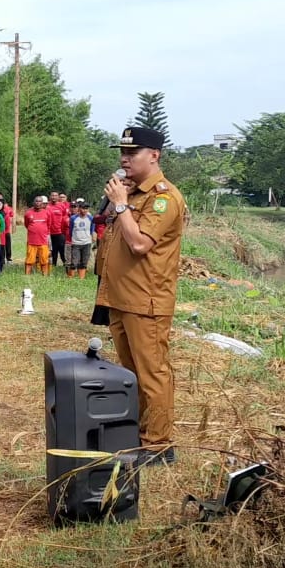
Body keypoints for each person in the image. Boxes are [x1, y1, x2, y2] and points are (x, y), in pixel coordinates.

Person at [96, 127, 186, 465]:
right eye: (122, 152)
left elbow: (139, 244)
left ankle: (159, 445)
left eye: (132, 153)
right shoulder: (133, 196)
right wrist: (122, 202)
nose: (124, 158)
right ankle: (138, 433)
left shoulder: (163, 198)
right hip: (121, 298)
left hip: (146, 301)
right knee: (131, 374)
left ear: (154, 156)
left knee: (152, 374)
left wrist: (121, 206)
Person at [23, 196, 51, 276]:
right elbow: (26, 224)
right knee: (29, 260)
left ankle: (44, 275)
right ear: (33, 202)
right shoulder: (28, 213)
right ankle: (27, 275)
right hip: (32, 241)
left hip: (43, 241)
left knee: (44, 259)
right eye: (36, 201)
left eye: (40, 201)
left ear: (42, 203)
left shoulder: (47, 213)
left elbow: (49, 225)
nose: (38, 203)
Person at [68, 199, 96, 279]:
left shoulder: (90, 218)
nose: (84, 210)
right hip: (76, 243)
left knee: (84, 262)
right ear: (79, 208)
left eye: (86, 208)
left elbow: (92, 230)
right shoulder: (73, 218)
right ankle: (70, 277)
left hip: (86, 242)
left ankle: (81, 278)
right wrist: (73, 239)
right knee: (74, 262)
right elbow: (70, 230)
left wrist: (91, 237)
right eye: (83, 208)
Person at [48, 192, 68, 268]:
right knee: (53, 249)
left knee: (61, 248)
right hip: (50, 232)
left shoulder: (62, 206)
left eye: (55, 196)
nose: (54, 197)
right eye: (52, 195)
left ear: (58, 197)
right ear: (50, 196)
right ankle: (53, 264)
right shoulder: (47, 206)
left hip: (60, 231)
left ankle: (65, 263)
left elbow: (65, 218)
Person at [0, 193, 15, 264]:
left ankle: (8, 258)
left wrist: (10, 226)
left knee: (7, 244)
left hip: (6, 230)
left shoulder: (7, 208)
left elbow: (11, 216)